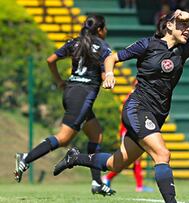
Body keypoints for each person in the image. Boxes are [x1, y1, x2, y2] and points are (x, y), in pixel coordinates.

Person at [52, 9, 189, 203]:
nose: (188, 29)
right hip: (138, 108)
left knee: (115, 163)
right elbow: (111, 58)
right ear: (168, 25)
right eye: (182, 25)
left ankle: (74, 158)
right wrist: (109, 74)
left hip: (158, 114)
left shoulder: (184, 49)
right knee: (162, 154)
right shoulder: (147, 44)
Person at [14, 15, 115, 196]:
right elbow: (103, 75)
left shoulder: (75, 43)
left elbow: (50, 59)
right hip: (83, 95)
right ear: (100, 30)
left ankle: (97, 182)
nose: (106, 31)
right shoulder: (103, 47)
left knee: (96, 134)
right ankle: (26, 158)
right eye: (105, 28)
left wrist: (59, 81)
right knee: (64, 138)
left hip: (70, 91)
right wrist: (108, 77)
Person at [101, 79, 154, 193]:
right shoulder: (133, 97)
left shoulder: (135, 96)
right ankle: (108, 178)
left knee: (133, 159)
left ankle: (137, 185)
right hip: (128, 131)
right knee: (130, 159)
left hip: (131, 130)